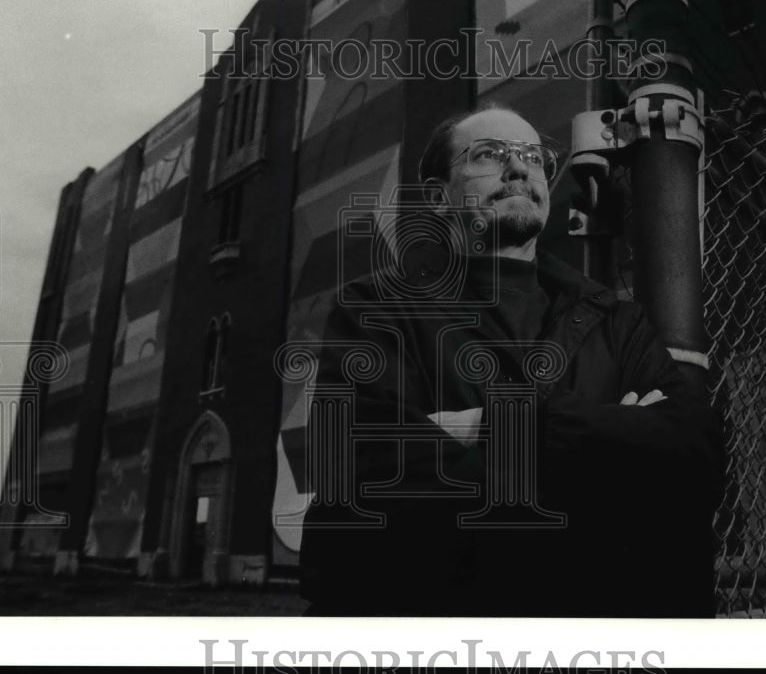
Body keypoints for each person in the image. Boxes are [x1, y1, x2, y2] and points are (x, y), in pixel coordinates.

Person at [298, 104, 724, 617]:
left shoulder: (617, 319)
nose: (520, 168)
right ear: (438, 197)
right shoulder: (378, 310)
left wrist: (492, 425)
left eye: (533, 158)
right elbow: (367, 476)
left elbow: (696, 454)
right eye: (489, 155)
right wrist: (613, 442)